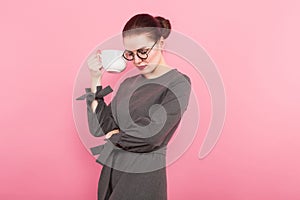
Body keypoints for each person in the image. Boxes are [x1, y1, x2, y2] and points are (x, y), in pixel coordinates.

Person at [77, 13, 191, 200]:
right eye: (131, 54)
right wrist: (96, 78)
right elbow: (99, 128)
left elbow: (152, 137)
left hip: (142, 176)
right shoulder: (128, 84)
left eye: (143, 51)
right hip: (112, 172)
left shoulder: (178, 83)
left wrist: (116, 136)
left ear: (161, 44)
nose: (138, 60)